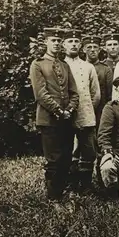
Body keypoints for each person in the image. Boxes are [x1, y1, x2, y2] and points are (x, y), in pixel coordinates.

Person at [29, 27, 79, 201]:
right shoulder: (38, 64)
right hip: (49, 119)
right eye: (53, 40)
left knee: (66, 157)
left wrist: (70, 110)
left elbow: (74, 92)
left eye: (59, 41)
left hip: (66, 118)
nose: (57, 43)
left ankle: (63, 192)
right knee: (54, 160)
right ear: (46, 42)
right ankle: (53, 198)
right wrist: (58, 110)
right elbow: (40, 94)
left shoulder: (64, 65)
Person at [63, 29, 101, 191]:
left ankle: (86, 184)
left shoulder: (88, 67)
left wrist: (87, 109)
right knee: (69, 150)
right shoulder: (60, 66)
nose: (73, 44)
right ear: (64, 45)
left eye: (76, 42)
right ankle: (71, 184)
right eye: (69, 42)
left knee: (88, 150)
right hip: (65, 115)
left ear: (80, 45)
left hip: (86, 114)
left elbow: (96, 93)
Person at [83, 35, 113, 127]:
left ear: (99, 50)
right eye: (89, 47)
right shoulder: (80, 67)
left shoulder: (105, 69)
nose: (92, 50)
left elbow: (109, 94)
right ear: (84, 49)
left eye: (95, 47)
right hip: (83, 111)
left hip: (101, 112)